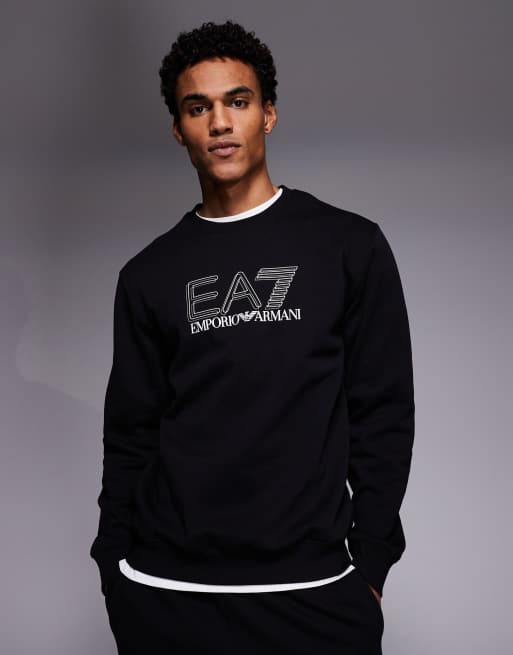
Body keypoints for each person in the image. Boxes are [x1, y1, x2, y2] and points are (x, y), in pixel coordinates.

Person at [90, 19, 415, 655]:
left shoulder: (347, 246)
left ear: (268, 114)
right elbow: (129, 433)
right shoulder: (148, 274)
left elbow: (384, 414)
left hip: (312, 592)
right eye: (198, 108)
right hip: (166, 594)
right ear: (179, 129)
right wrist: (114, 567)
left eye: (237, 101)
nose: (219, 122)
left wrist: (371, 564)